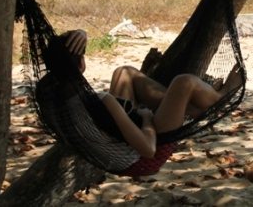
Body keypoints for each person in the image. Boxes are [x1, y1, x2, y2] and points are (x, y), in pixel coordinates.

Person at [57, 29, 242, 159]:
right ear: (81, 65)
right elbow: (148, 150)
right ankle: (220, 98)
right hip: (145, 141)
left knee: (123, 72)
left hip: (122, 127)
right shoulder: (103, 100)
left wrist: (81, 32)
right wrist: (146, 118)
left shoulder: (51, 89)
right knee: (184, 82)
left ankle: (195, 108)